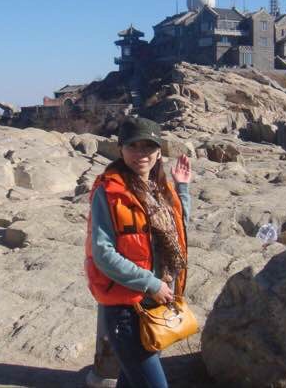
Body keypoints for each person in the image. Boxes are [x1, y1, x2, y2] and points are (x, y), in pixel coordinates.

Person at [85, 116, 192, 388]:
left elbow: (178, 229)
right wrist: (151, 283)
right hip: (125, 308)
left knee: (132, 381)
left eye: (148, 146)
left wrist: (183, 187)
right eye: (133, 146)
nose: (140, 154)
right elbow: (102, 252)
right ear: (120, 149)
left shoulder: (160, 188)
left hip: (154, 303)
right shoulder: (108, 193)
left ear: (159, 152)